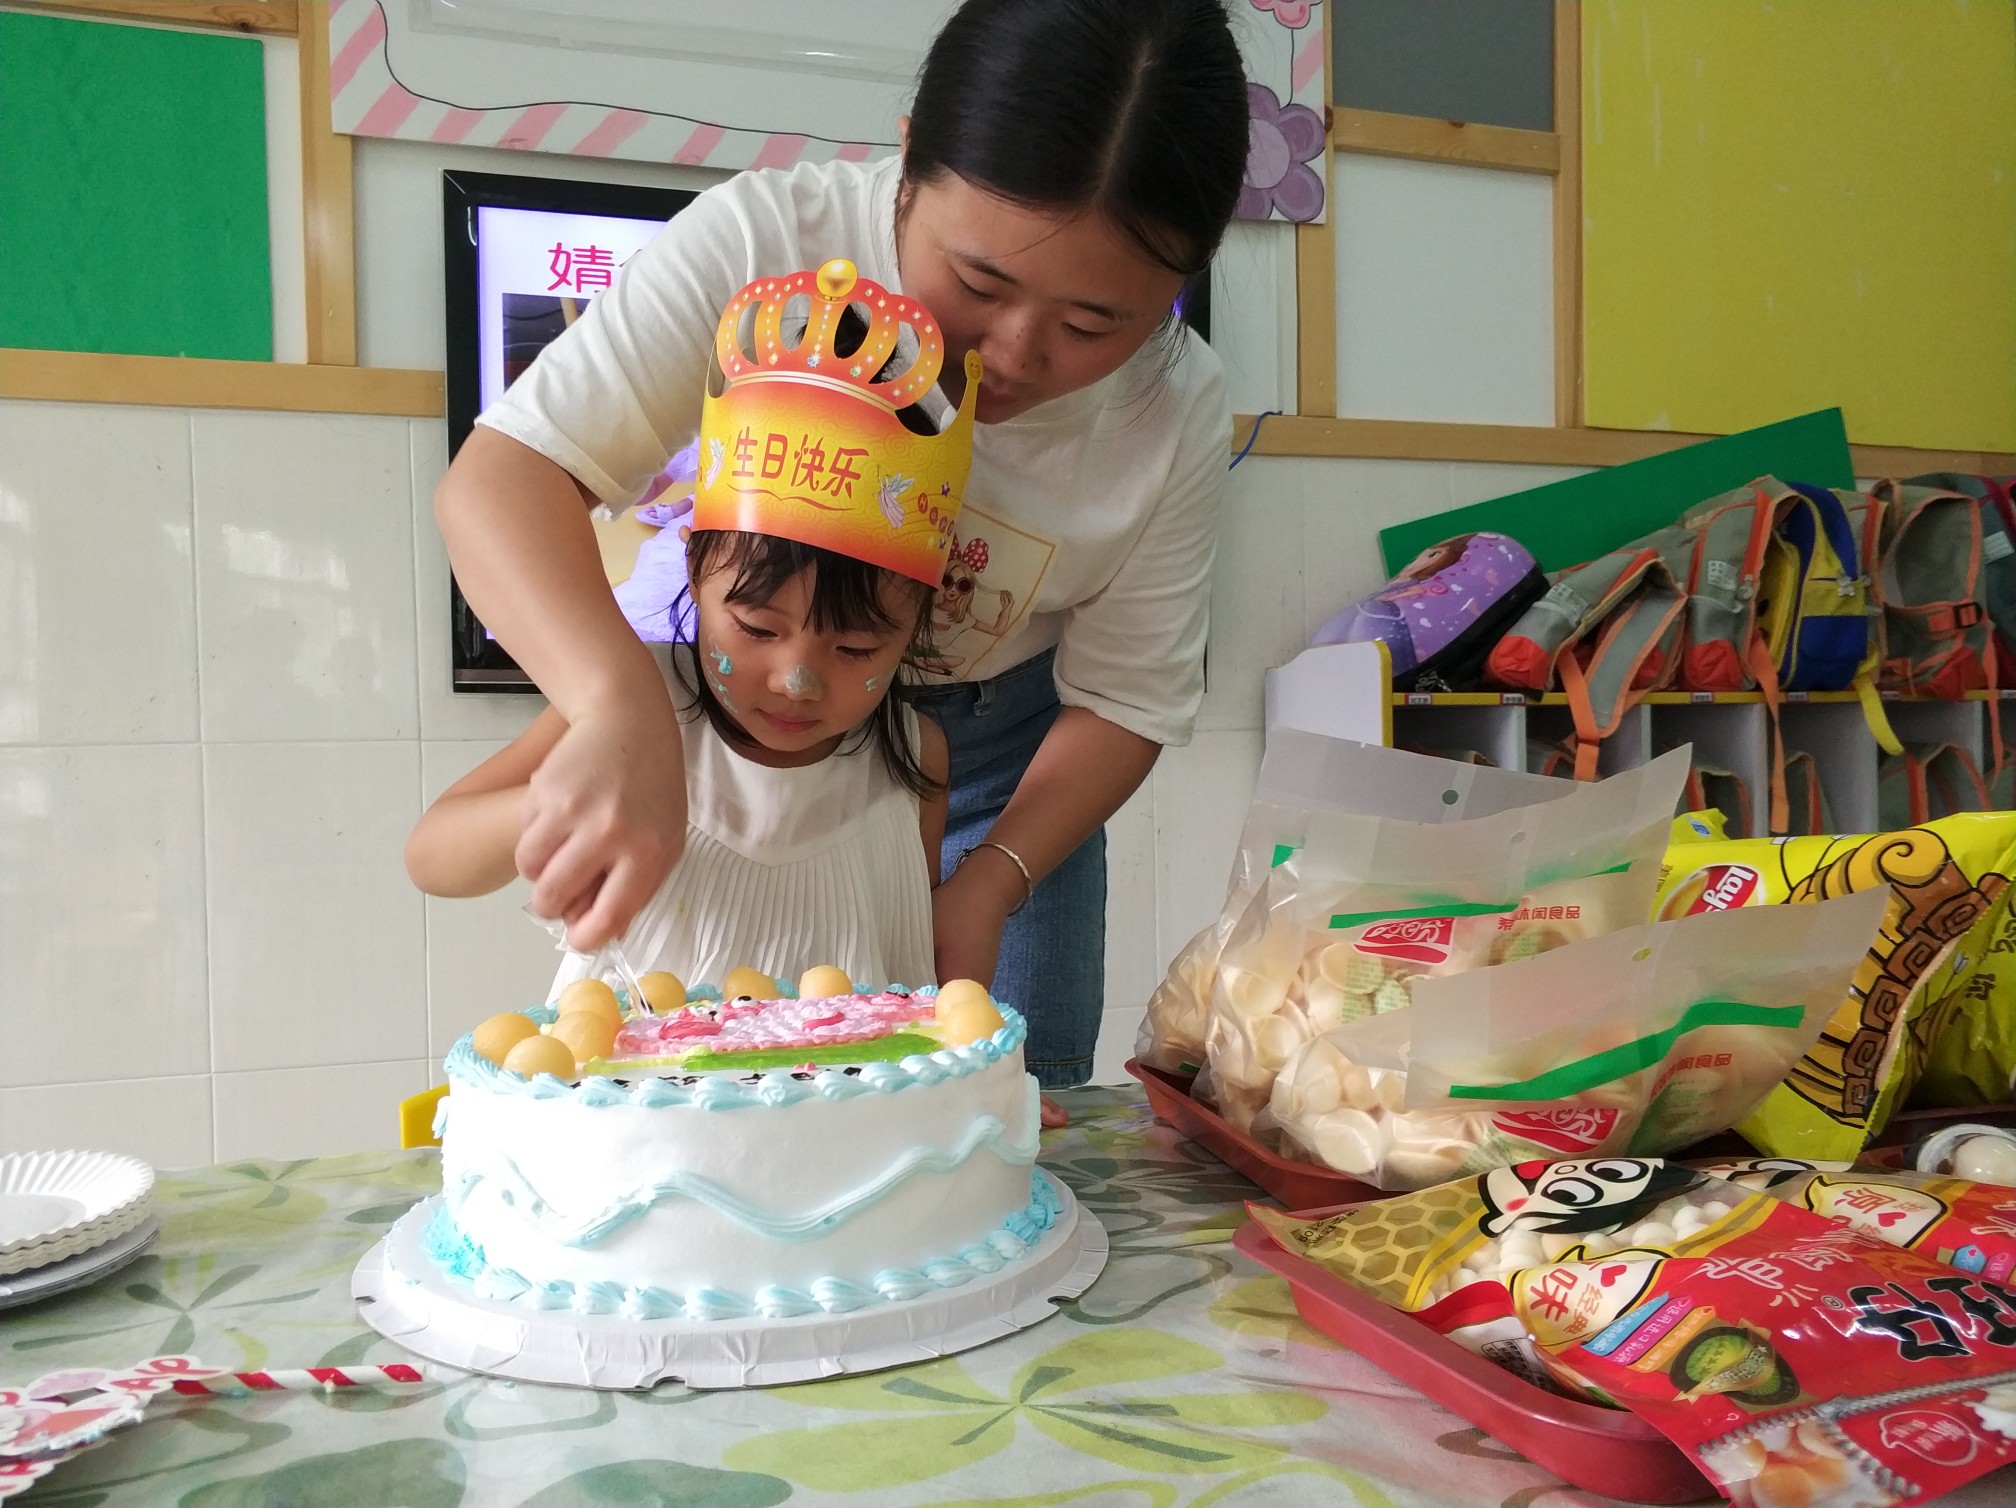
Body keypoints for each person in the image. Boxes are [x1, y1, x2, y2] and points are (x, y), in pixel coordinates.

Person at [435, 0, 1249, 1093]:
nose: (1014, 353)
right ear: (909, 161)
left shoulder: (1175, 405)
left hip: (1004, 762)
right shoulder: (766, 242)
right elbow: (504, 479)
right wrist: (620, 710)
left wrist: (990, 880)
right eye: (981, 283)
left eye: (1093, 323)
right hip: (708, 731)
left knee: (1002, 1102)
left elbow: (1128, 697)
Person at [408, 261, 971, 994]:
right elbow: (432, 857)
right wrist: (554, 806)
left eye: (856, 647)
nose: (797, 679)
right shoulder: (645, 709)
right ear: (696, 567)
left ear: (919, 620)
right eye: (758, 629)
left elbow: (910, 957)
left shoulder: (914, 758)